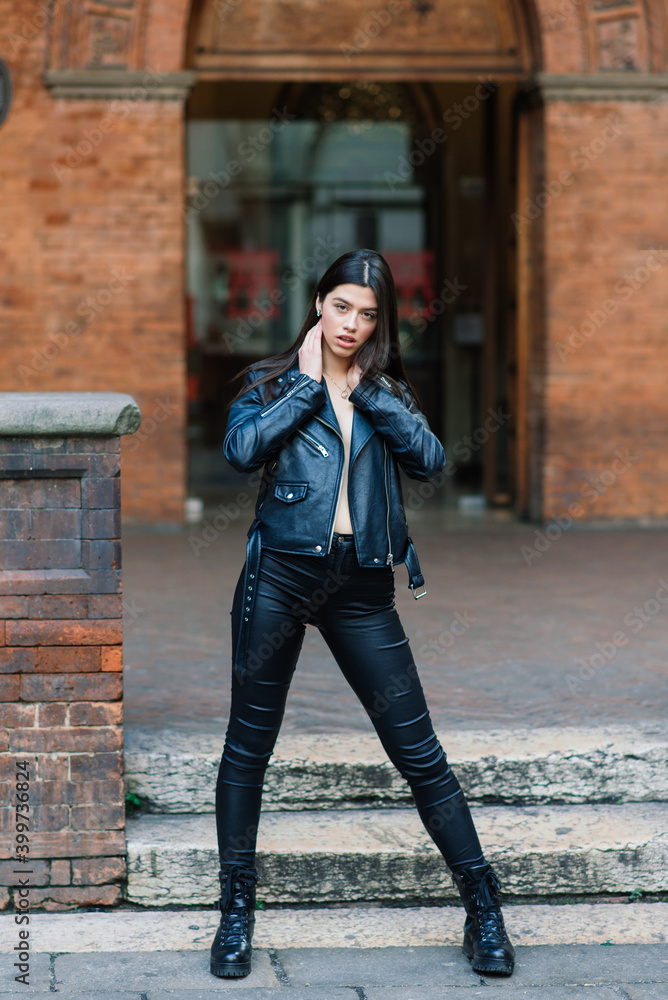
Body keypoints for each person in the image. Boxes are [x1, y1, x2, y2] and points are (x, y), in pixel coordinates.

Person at [210, 249, 515, 979]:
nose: (352, 323)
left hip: (362, 589)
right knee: (248, 751)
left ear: (381, 322)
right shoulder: (272, 383)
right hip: (279, 578)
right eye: (342, 306)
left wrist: (366, 393)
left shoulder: (387, 393)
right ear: (319, 303)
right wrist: (309, 390)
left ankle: (483, 908)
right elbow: (240, 450)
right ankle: (235, 915)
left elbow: (432, 460)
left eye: (368, 313)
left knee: (421, 756)